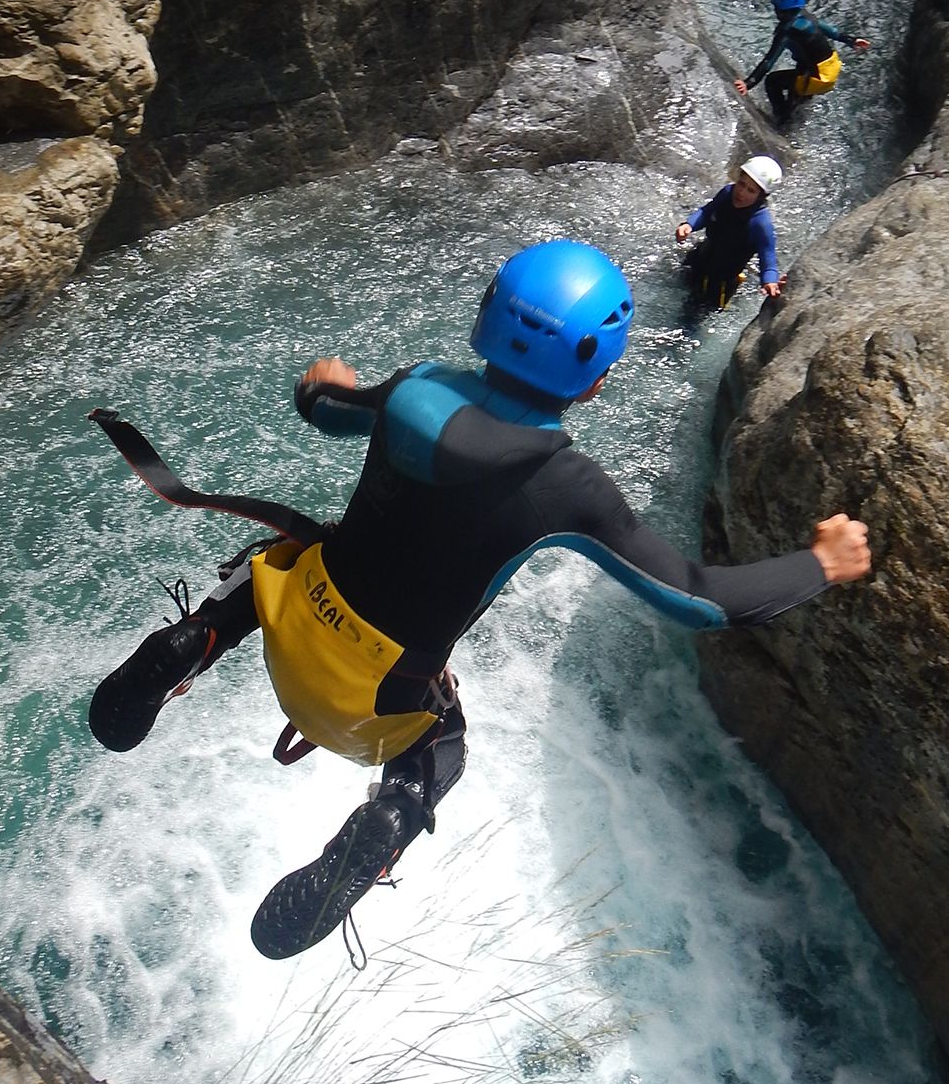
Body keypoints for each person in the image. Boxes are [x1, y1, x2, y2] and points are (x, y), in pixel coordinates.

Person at [89, 241, 872, 961]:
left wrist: (320, 385)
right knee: (444, 749)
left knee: (285, 553)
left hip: (286, 618)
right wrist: (817, 563)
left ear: (485, 318)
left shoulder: (415, 388)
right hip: (371, 701)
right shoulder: (568, 487)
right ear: (597, 376)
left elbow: (322, 409)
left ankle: (192, 639)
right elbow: (698, 600)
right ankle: (385, 824)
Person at [732, 0, 870, 127]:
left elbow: (769, 61)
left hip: (817, 77)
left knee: (772, 81)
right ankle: (795, 112)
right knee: (797, 89)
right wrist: (852, 40)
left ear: (779, 6)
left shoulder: (786, 30)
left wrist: (748, 83)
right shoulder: (808, 17)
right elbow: (833, 32)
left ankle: (780, 120)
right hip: (831, 68)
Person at [676, 156, 786, 311]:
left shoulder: (760, 224)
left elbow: (768, 257)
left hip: (721, 281)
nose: (741, 192)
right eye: (741, 184)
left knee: (694, 312)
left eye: (751, 190)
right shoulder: (727, 193)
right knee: (679, 282)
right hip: (700, 256)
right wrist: (689, 224)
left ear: (761, 197)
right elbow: (707, 212)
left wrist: (769, 281)